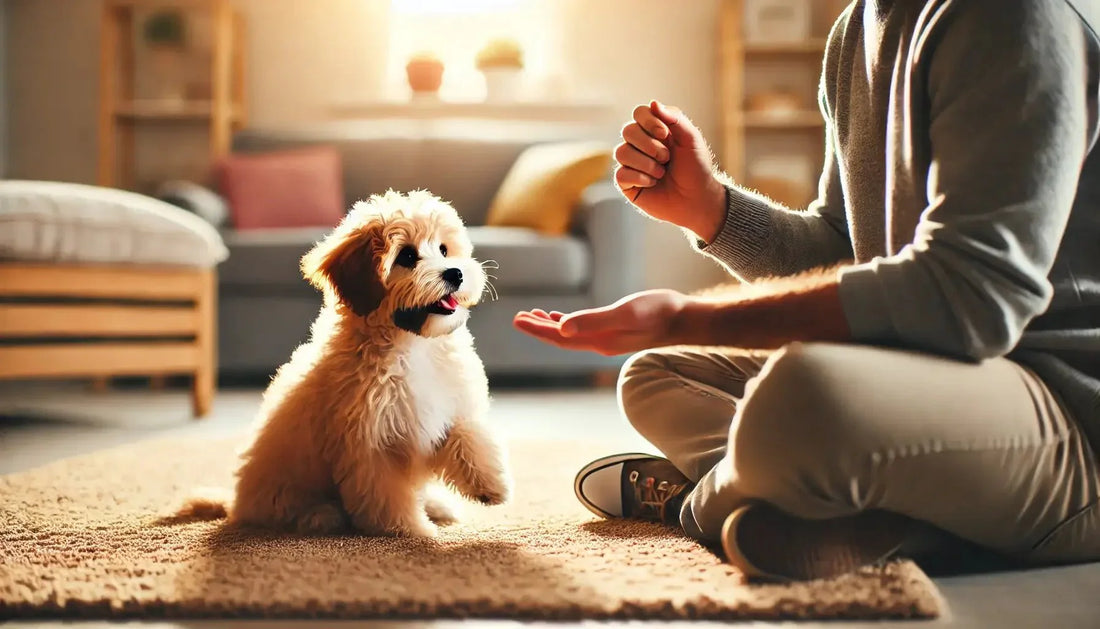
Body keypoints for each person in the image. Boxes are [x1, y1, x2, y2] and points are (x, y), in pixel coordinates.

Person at [513, 0, 1100, 582]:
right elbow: (844, 251)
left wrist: (687, 317)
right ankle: (879, 517)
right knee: (654, 375)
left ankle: (698, 506)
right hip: (929, 378)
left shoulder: (1012, 16)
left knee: (805, 396)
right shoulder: (855, 30)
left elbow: (970, 300)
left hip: (1067, 414)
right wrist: (713, 211)